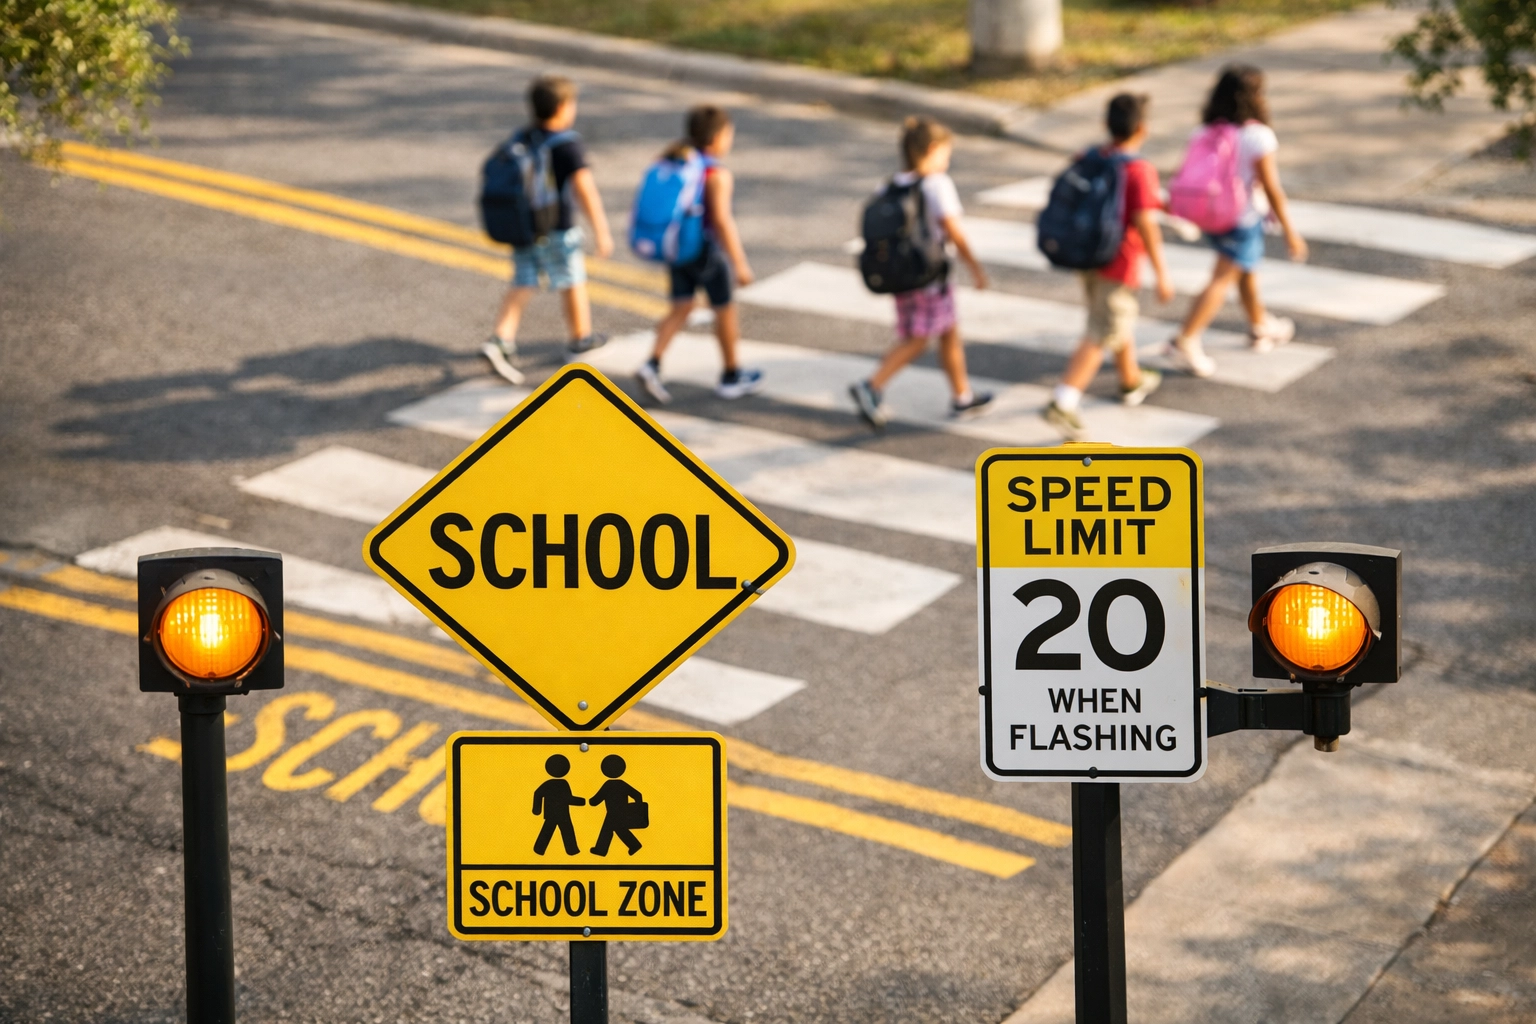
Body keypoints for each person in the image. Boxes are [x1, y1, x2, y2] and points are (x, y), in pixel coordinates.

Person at [1043, 94, 1175, 440]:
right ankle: (1064, 399)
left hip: (1087, 256)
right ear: (1143, 129)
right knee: (1103, 327)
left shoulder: (1093, 156)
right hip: (1120, 263)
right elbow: (1146, 223)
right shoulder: (1139, 169)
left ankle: (1130, 379)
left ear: (1106, 125)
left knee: (1113, 319)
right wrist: (1162, 273)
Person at [1163, 64, 1308, 378]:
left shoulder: (1203, 132)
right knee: (1222, 277)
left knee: (1246, 271)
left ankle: (1260, 325)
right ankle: (1185, 338)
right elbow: (1271, 188)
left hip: (1209, 216)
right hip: (1240, 218)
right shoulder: (1257, 136)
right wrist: (1291, 233)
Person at [849, 116, 993, 429]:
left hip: (903, 276)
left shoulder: (890, 184)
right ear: (931, 149)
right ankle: (871, 386)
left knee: (948, 331)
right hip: (931, 278)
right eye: (946, 153)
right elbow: (954, 231)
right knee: (917, 339)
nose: (948, 160)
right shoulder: (936, 185)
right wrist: (976, 269)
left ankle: (962, 396)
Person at [483, 75, 615, 383]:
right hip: (557, 228)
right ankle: (581, 339)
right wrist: (601, 231)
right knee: (572, 279)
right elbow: (585, 189)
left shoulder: (525, 136)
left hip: (524, 225)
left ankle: (500, 340)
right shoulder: (568, 145)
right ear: (563, 107)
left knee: (524, 280)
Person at [636, 105, 763, 403]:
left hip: (677, 247)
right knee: (724, 309)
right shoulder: (715, 172)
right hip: (705, 252)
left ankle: (651, 363)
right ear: (718, 137)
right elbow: (721, 221)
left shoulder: (674, 160)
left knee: (681, 306)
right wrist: (740, 264)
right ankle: (732, 375)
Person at [588, 754, 645, 856]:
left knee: (610, 829)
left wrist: (591, 801)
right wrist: (637, 808)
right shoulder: (622, 784)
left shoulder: (608, 785)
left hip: (613, 813)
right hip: (623, 812)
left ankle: (602, 849)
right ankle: (633, 845)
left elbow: (597, 799)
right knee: (616, 829)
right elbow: (637, 795)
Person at [531, 754, 585, 856]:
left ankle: (539, 849)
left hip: (552, 813)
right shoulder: (563, 784)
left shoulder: (549, 783)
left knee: (551, 830)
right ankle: (571, 850)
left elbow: (538, 793)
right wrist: (581, 801)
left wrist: (537, 809)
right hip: (562, 813)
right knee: (566, 830)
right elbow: (568, 799)